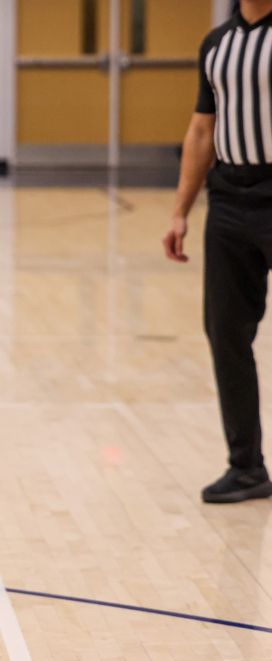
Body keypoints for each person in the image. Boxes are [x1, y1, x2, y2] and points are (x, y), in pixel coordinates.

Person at [164, 0, 272, 503]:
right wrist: (180, 211)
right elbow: (202, 130)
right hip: (229, 202)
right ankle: (246, 467)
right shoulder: (217, 45)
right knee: (225, 331)